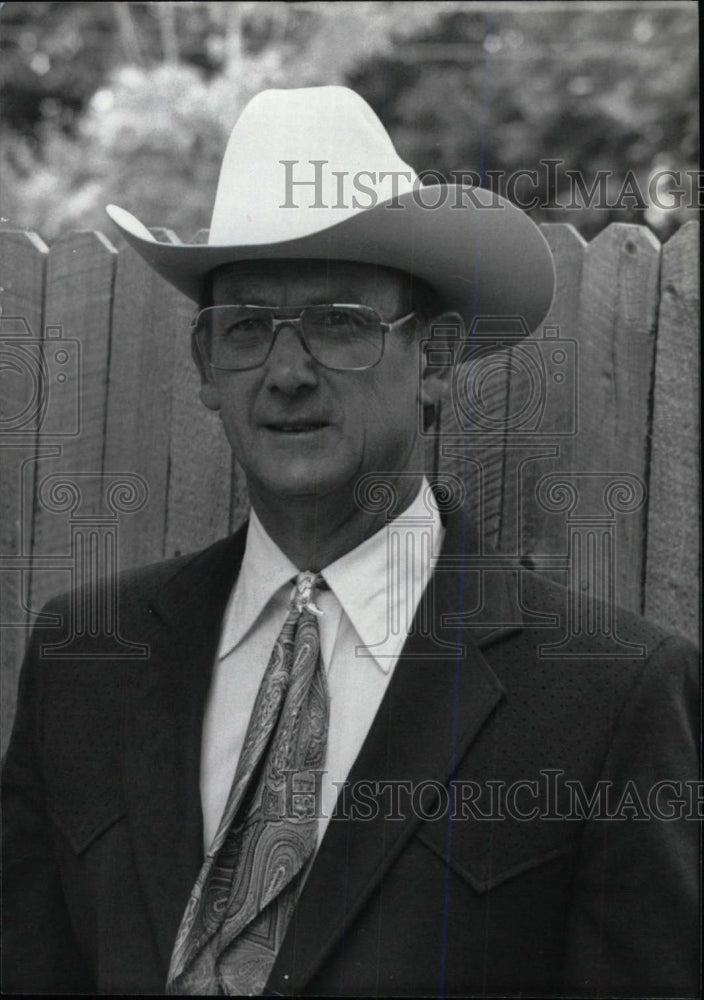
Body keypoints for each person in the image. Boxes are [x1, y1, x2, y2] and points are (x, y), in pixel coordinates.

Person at [2, 87, 698, 997]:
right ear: (207, 370)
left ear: (437, 360)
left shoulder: (613, 698)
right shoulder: (84, 659)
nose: (288, 373)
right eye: (248, 329)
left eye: (340, 323)